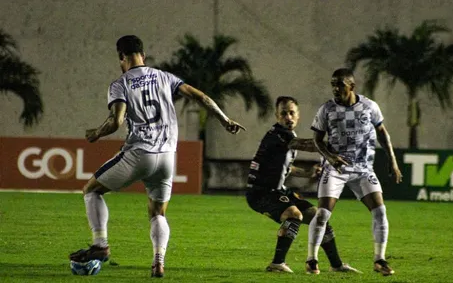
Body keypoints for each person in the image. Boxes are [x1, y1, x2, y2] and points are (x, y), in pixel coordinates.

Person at [68, 35, 245, 278]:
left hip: (139, 153)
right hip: (167, 157)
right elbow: (200, 96)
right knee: (158, 213)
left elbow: (117, 121)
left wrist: (96, 134)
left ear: (121, 57)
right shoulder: (165, 77)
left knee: (92, 190)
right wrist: (225, 120)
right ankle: (158, 261)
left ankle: (100, 245)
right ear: (143, 53)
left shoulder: (120, 84)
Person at [246, 96, 361, 274]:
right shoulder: (278, 134)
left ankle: (336, 265)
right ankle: (277, 263)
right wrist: (335, 143)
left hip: (277, 191)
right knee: (293, 214)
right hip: (260, 193)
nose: (288, 117)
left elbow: (285, 167)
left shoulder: (287, 136)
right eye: (283, 113)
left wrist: (307, 173)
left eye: (292, 113)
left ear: (298, 116)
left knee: (319, 217)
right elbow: (307, 145)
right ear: (277, 116)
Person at [305, 68, 402, 276]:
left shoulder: (369, 106)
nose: (335, 88)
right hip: (336, 168)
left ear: (352, 86)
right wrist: (331, 158)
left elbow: (382, 133)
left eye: (339, 84)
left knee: (380, 211)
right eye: (333, 84)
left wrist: (393, 161)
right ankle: (311, 259)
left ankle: (379, 260)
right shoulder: (327, 109)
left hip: (363, 169)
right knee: (322, 213)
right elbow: (317, 141)